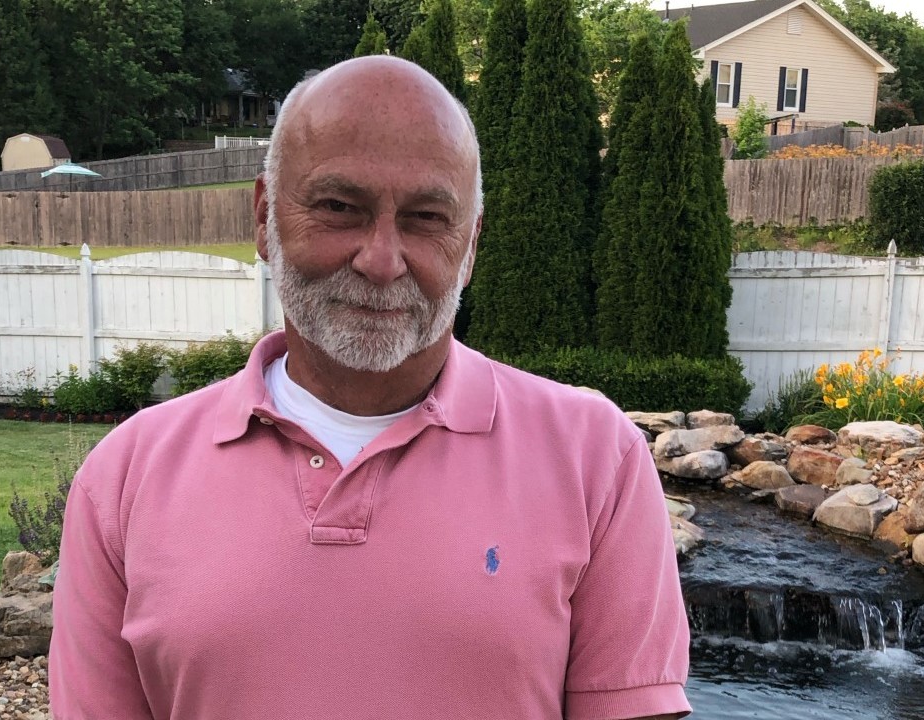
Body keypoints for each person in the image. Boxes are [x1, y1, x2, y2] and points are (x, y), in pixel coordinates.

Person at [49, 56, 691, 720]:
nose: (382, 260)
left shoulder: (595, 460)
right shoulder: (124, 481)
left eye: (426, 217)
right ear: (265, 218)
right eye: (338, 207)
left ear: (471, 245)